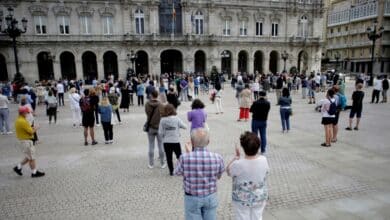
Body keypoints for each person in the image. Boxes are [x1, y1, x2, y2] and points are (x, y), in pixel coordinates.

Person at [174, 128, 225, 220]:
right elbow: (219, 175)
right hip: (210, 195)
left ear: (192, 143)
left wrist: (189, 153)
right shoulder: (218, 157)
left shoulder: (184, 158)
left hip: (192, 197)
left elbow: (177, 172)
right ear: (208, 142)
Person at [227, 132, 269, 220]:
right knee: (257, 217)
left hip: (241, 199)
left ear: (243, 147)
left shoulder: (238, 164)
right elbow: (266, 172)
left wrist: (235, 158)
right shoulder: (263, 160)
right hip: (259, 197)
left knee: (242, 217)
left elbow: (228, 171)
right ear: (258, 147)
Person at [13, 106, 45, 178]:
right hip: (27, 141)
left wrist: (32, 128)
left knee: (28, 156)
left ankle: (18, 167)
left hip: (23, 140)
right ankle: (34, 172)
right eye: (27, 112)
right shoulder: (23, 121)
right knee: (32, 158)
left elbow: (27, 129)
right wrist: (37, 127)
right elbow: (31, 132)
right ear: (23, 113)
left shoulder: (19, 120)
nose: (28, 114)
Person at [158, 104, 187, 176]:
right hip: (175, 141)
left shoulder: (162, 120)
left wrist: (165, 134)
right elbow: (185, 126)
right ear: (173, 110)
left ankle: (171, 171)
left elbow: (160, 132)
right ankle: (182, 169)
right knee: (179, 156)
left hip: (166, 142)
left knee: (169, 157)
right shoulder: (176, 119)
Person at [145, 90, 166, 169]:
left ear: (151, 95)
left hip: (150, 126)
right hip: (159, 127)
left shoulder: (147, 104)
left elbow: (147, 113)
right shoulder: (161, 104)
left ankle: (151, 164)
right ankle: (162, 163)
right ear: (157, 95)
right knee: (161, 145)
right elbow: (163, 115)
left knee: (151, 145)